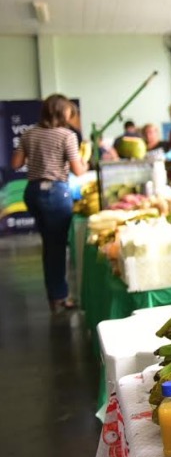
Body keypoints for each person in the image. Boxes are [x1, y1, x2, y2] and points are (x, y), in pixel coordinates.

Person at [11, 94, 88, 313]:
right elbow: (78, 170)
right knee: (57, 247)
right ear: (63, 113)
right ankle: (60, 298)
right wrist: (85, 161)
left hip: (33, 192)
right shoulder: (67, 135)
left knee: (49, 245)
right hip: (56, 193)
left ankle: (55, 296)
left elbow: (15, 163)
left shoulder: (29, 133)